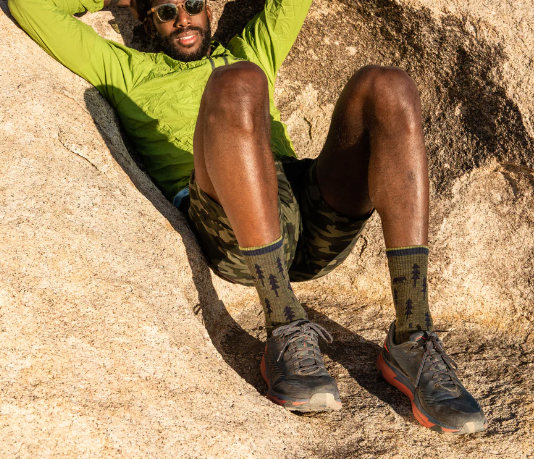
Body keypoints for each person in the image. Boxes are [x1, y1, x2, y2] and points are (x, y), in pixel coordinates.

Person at [9, 0, 487, 434]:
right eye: (165, 10)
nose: (183, 20)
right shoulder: (124, 68)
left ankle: (413, 337)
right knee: (238, 82)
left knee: (388, 84)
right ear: (143, 18)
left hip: (308, 212)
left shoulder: (252, 48)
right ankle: (283, 324)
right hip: (231, 228)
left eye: (193, 5)